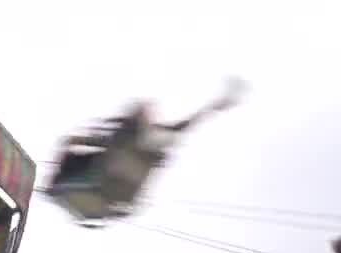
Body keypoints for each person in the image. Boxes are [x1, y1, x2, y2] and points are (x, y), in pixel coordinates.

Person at [51, 80, 243, 187]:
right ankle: (62, 178)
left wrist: (75, 140)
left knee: (74, 159)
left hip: (110, 169)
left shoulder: (136, 134)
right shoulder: (137, 133)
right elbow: (187, 123)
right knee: (77, 158)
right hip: (114, 166)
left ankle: (60, 179)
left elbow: (187, 123)